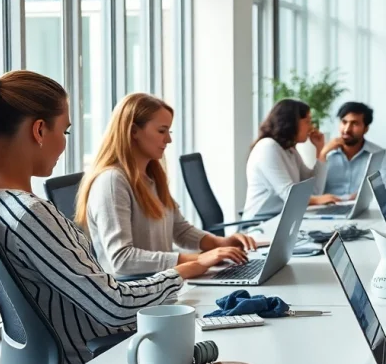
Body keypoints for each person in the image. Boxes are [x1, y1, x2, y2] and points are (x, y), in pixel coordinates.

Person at [0, 70, 237, 364]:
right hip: (88, 360)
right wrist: (181, 272)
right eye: (64, 132)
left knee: (207, 323)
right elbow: (114, 307)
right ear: (39, 131)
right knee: (218, 334)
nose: (64, 145)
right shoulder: (30, 214)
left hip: (48, 362)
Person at [77, 93, 257, 279]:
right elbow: (122, 259)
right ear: (133, 131)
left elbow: (180, 229)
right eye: (162, 131)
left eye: (168, 132)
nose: (168, 140)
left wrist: (220, 243)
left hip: (163, 285)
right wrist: (197, 260)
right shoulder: (112, 182)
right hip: (137, 295)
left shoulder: (151, 176)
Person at [243, 99, 341, 218]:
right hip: (260, 223)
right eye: (307, 122)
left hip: (283, 219)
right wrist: (318, 200)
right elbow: (289, 196)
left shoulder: (290, 150)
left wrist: (320, 152)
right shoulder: (268, 147)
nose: (311, 127)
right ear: (291, 123)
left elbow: (314, 191)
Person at [322, 101, 386, 197]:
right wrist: (322, 154)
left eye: (354, 124)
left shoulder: (379, 155)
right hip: (327, 209)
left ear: (366, 129)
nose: (347, 129)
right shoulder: (326, 154)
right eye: (344, 122)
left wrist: (363, 196)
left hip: (364, 209)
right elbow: (313, 191)